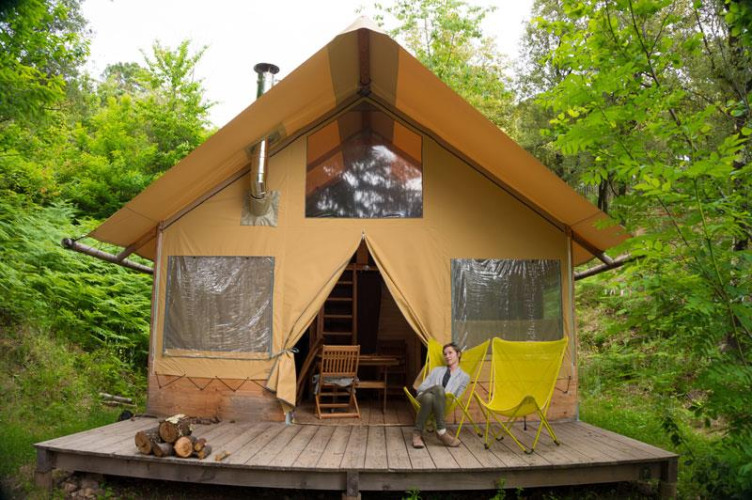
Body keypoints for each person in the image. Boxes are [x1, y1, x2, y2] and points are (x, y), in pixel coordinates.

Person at [411, 342, 470, 448]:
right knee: (437, 389)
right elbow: (420, 388)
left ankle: (417, 434)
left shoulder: (464, 377)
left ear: (458, 354)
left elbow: (457, 398)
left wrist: (440, 398)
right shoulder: (436, 370)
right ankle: (441, 431)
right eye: (445, 354)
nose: (447, 356)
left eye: (450, 353)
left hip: (441, 404)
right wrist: (437, 390)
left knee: (429, 398)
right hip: (421, 397)